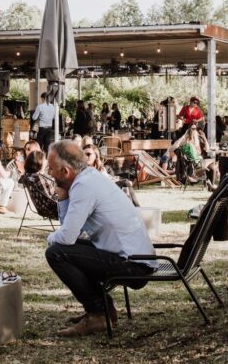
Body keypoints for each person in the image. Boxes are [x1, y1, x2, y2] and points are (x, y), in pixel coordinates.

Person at [44, 140, 156, 337]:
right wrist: (62, 198)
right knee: (63, 249)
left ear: (66, 172)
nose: (49, 173)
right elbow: (70, 233)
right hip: (135, 258)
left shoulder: (83, 186)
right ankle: (103, 309)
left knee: (56, 253)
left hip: (133, 265)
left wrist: (49, 238)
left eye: (51, 168)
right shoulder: (90, 177)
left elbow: (66, 237)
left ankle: (98, 313)